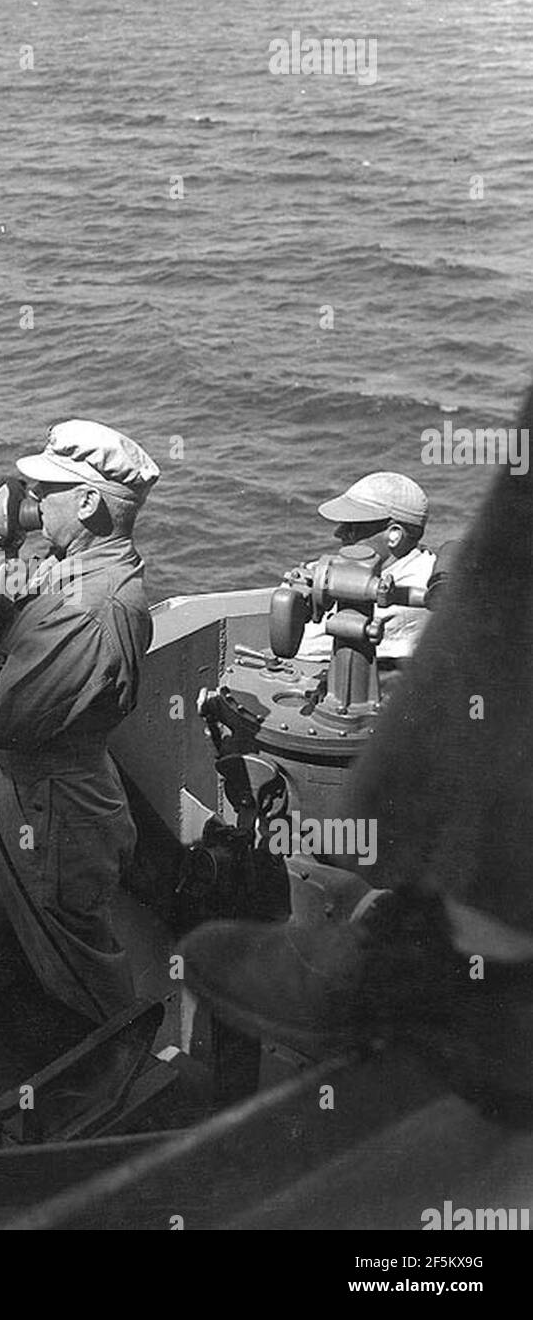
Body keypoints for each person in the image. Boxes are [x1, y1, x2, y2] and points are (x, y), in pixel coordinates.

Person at [179, 388, 533, 1119]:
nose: (337, 543)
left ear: (396, 539)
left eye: (356, 531)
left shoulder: (427, 592)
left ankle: (460, 954)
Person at [0, 419, 160, 1023]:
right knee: (38, 954)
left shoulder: (94, 605)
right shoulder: (78, 570)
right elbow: (36, 610)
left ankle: (126, 1085)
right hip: (37, 804)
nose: (32, 502)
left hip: (56, 817)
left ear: (88, 502)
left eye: (47, 491)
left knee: (84, 981)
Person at [296, 471, 435, 662]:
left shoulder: (415, 586)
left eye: (353, 526)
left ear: (394, 535)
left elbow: (304, 644)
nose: (339, 533)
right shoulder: (395, 564)